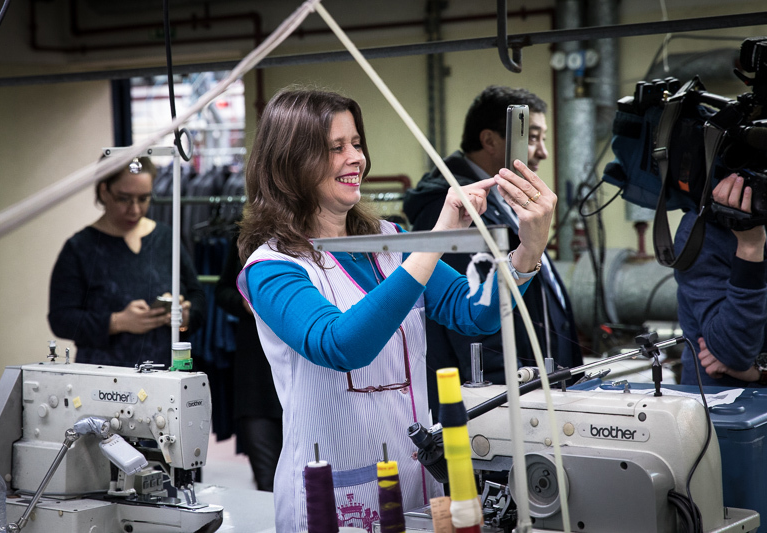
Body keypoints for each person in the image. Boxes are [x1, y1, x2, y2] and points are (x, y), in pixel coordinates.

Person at [234, 88, 556, 533]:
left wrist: (528, 249)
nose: (356, 158)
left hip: (417, 480)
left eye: (356, 143)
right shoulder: (272, 268)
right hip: (334, 495)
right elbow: (341, 345)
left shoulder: (390, 240)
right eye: (336, 147)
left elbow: (472, 312)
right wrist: (435, 241)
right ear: (291, 163)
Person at [403, 85, 582, 420]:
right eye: (532, 138)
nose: (543, 152)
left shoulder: (500, 201)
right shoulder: (454, 208)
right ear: (489, 140)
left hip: (533, 390)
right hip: (500, 403)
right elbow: (473, 318)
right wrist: (505, 400)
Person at [48, 156, 206, 367]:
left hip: (166, 371)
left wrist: (184, 317)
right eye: (124, 199)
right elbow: (61, 319)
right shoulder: (79, 248)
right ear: (104, 191)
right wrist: (117, 322)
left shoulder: (166, 238)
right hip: (104, 374)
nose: (135, 210)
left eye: (144, 198)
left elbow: (197, 295)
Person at [675, 173, 767, 387]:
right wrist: (750, 248)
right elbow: (733, 351)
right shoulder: (702, 231)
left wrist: (765, 371)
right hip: (725, 402)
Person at [215, 242, 282, 492]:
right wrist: (244, 303)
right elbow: (222, 291)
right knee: (267, 483)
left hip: (304, 375)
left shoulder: (316, 234)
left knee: (307, 481)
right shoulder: (247, 237)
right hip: (256, 375)